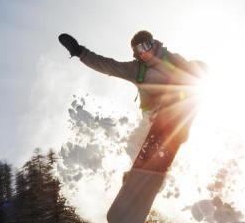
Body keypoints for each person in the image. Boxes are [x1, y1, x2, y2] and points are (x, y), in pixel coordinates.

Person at [58, 30, 205, 172]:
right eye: (139, 50)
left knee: (195, 69)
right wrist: (80, 52)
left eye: (145, 46)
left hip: (178, 106)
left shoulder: (172, 59)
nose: (143, 52)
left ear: (153, 44)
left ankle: (177, 128)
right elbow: (109, 65)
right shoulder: (136, 69)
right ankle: (141, 165)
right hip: (154, 114)